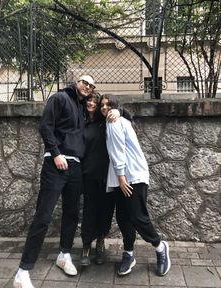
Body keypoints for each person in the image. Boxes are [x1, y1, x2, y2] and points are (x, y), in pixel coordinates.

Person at [13, 75, 96, 288]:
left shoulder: (82, 108)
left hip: (75, 166)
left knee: (71, 213)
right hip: (56, 163)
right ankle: (23, 272)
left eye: (91, 85)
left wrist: (118, 112)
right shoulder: (59, 98)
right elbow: (45, 126)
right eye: (85, 82)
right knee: (43, 215)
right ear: (77, 82)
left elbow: (104, 115)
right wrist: (55, 152)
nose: (87, 87)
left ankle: (64, 254)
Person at [100, 95, 171, 277]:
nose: (105, 107)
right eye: (102, 105)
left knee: (137, 216)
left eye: (109, 104)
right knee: (123, 217)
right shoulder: (117, 119)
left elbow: (118, 152)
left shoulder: (114, 122)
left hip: (131, 176)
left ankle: (159, 246)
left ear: (116, 106)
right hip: (122, 176)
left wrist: (122, 178)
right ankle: (129, 254)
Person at [80, 92, 135, 267]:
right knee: (89, 211)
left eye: (95, 101)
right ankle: (86, 246)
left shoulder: (108, 121)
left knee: (106, 212)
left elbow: (127, 116)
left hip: (109, 177)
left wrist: (119, 111)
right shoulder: (82, 123)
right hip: (89, 175)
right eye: (89, 100)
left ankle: (100, 243)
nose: (93, 104)